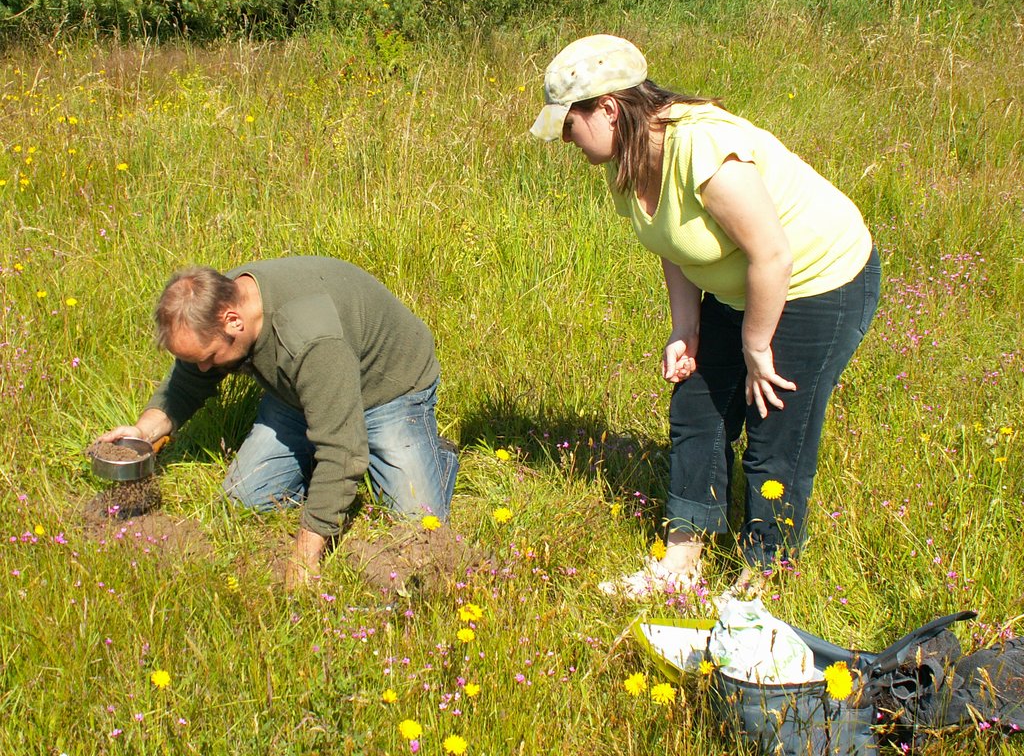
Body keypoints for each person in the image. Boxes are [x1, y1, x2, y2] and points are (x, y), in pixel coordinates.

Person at [531, 35, 881, 597]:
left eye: (568, 123)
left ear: (609, 110)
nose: (564, 138)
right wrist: (686, 330)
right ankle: (681, 563)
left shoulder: (703, 148)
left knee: (774, 428)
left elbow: (773, 254)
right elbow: (673, 243)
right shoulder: (627, 161)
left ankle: (761, 576)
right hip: (747, 287)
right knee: (696, 403)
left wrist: (757, 345)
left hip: (820, 281)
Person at [96, 256, 459, 587]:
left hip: (386, 391)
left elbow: (344, 449)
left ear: (233, 322)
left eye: (208, 358)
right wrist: (144, 431)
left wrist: (304, 556)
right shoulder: (224, 301)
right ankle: (329, 476)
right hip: (301, 394)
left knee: (415, 522)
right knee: (246, 498)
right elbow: (190, 380)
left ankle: (436, 453)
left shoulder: (309, 338)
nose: (204, 368)